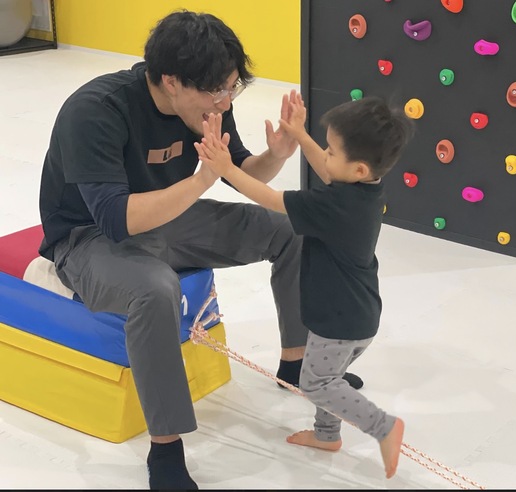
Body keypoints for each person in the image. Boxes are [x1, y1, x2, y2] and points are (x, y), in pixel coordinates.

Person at [37, 10, 362, 490]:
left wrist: (276, 154)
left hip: (167, 217)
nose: (224, 101)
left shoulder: (207, 104)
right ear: (171, 81)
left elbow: (239, 171)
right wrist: (203, 180)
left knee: (292, 230)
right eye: (216, 91)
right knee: (155, 288)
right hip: (87, 237)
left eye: (232, 88)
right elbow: (116, 219)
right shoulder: (96, 111)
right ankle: (165, 448)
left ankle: (296, 365)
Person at [195, 93, 414, 479]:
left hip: (339, 320)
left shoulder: (331, 207)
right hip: (357, 312)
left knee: (316, 384)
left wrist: (226, 168)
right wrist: (299, 133)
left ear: (358, 168)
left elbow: (269, 197)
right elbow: (331, 171)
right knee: (328, 378)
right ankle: (327, 435)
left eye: (330, 151)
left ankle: (383, 427)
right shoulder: (365, 189)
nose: (323, 156)